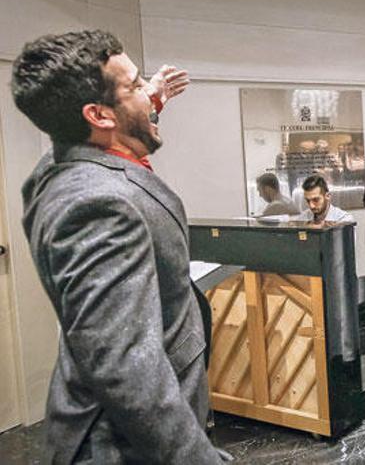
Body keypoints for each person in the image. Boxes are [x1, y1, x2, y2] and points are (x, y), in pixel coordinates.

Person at [13, 30, 225, 463]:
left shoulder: (63, 161)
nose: (147, 91)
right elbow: (128, 367)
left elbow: (111, 156)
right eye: (134, 85)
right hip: (123, 446)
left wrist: (146, 108)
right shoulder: (96, 206)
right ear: (98, 114)